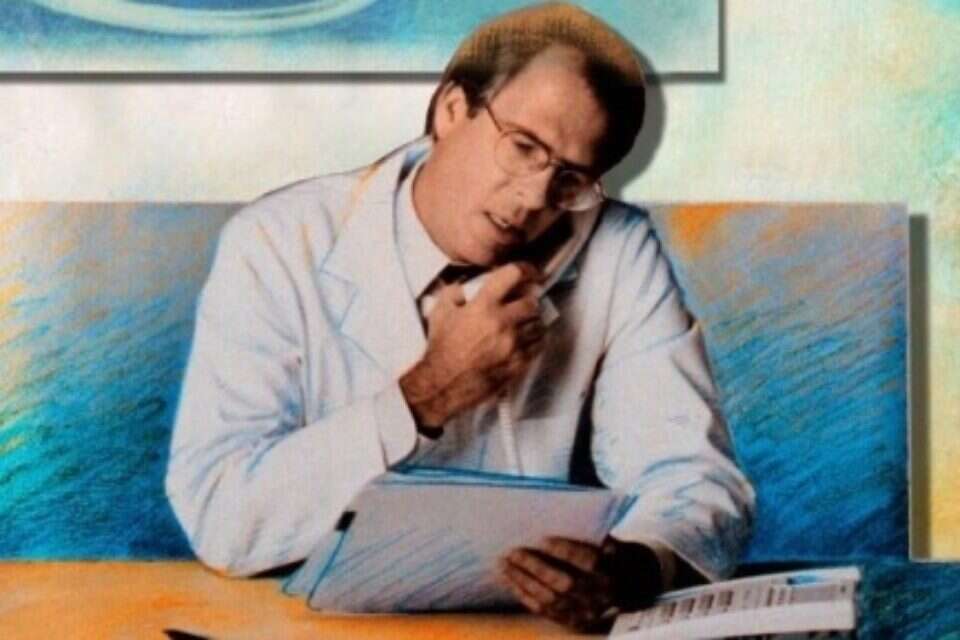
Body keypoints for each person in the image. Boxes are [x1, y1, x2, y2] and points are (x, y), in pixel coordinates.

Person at [166, 2, 754, 631]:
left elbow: (695, 478)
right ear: (451, 110)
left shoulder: (617, 247)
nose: (536, 196)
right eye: (523, 147)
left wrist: (634, 567)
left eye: (571, 178)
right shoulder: (278, 241)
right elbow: (221, 516)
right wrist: (426, 395)